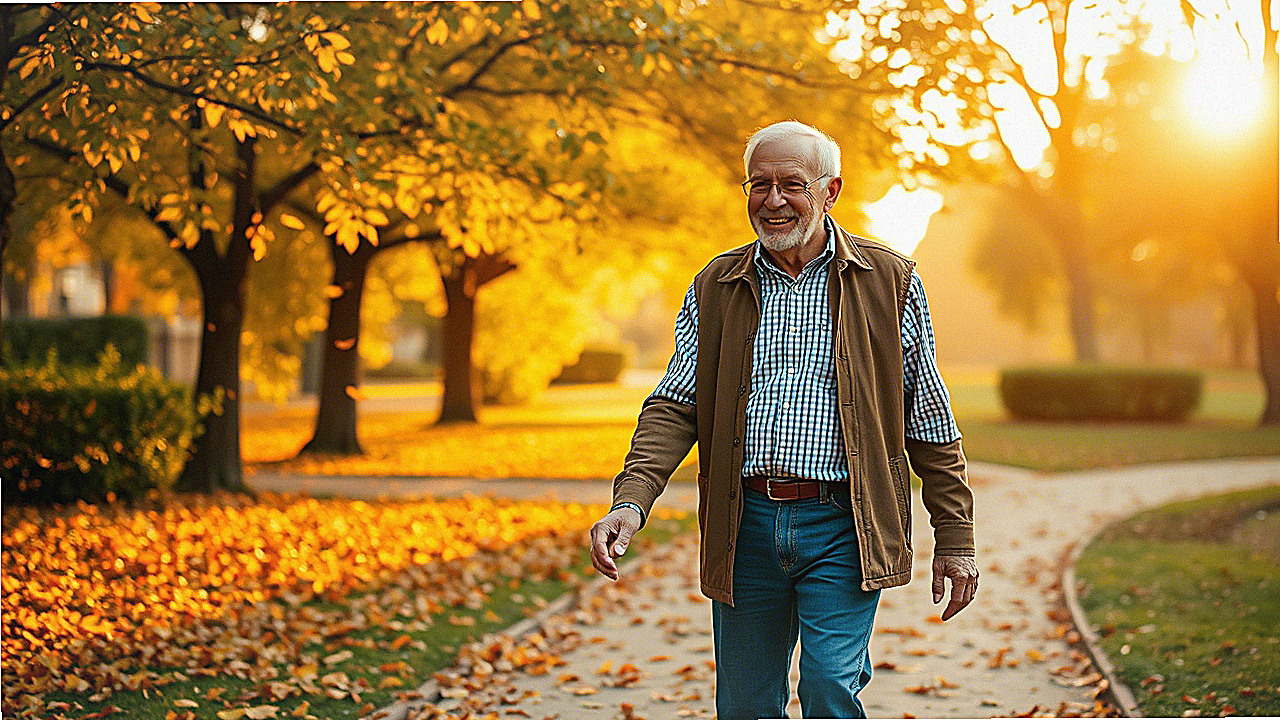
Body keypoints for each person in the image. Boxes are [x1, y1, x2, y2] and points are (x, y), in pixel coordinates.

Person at [589, 120, 978, 720]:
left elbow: (927, 414)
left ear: (831, 190)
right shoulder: (715, 285)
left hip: (843, 526)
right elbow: (675, 404)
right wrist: (630, 501)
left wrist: (955, 538)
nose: (772, 200)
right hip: (745, 526)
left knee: (829, 688)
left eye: (791, 184)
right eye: (758, 185)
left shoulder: (889, 282)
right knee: (745, 705)